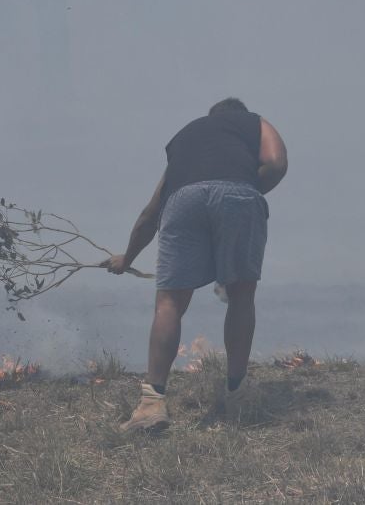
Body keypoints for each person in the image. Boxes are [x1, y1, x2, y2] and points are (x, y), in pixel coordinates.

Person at [106, 97, 287, 430]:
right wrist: (244, 186)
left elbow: (151, 212)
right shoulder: (254, 122)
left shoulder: (186, 137)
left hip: (182, 201)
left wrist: (126, 259)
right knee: (241, 294)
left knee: (170, 303)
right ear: (239, 115)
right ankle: (236, 393)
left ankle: (152, 403)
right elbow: (276, 163)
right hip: (238, 196)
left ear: (210, 119)